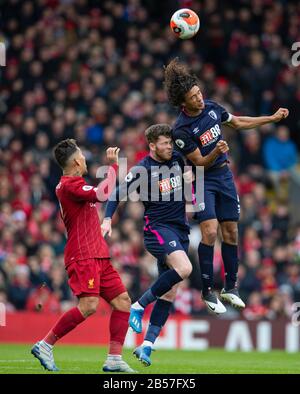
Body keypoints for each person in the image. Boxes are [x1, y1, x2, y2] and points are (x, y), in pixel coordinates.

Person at [164, 58, 289, 314]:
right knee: (209, 231)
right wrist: (217, 150)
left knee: (231, 231)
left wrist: (271, 118)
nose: (199, 99)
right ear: (183, 102)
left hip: (224, 176)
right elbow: (198, 161)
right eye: (194, 97)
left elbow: (237, 122)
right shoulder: (181, 130)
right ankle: (208, 290)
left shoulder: (212, 108)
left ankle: (230, 287)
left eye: (199, 93)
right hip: (202, 179)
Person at [31, 139, 135, 373]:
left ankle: (114, 358)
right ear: (77, 161)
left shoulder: (75, 185)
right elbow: (101, 194)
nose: (86, 160)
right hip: (83, 255)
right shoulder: (69, 185)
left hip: (98, 254)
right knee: (88, 305)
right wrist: (113, 167)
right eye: (84, 156)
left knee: (122, 302)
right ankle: (45, 344)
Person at [102, 124, 193, 366]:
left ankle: (147, 346)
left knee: (171, 291)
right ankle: (138, 305)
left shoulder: (177, 159)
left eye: (170, 143)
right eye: (164, 143)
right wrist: (107, 218)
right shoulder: (143, 169)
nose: (169, 147)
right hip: (158, 230)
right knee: (184, 269)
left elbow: (191, 175)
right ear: (152, 146)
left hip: (180, 230)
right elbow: (118, 193)